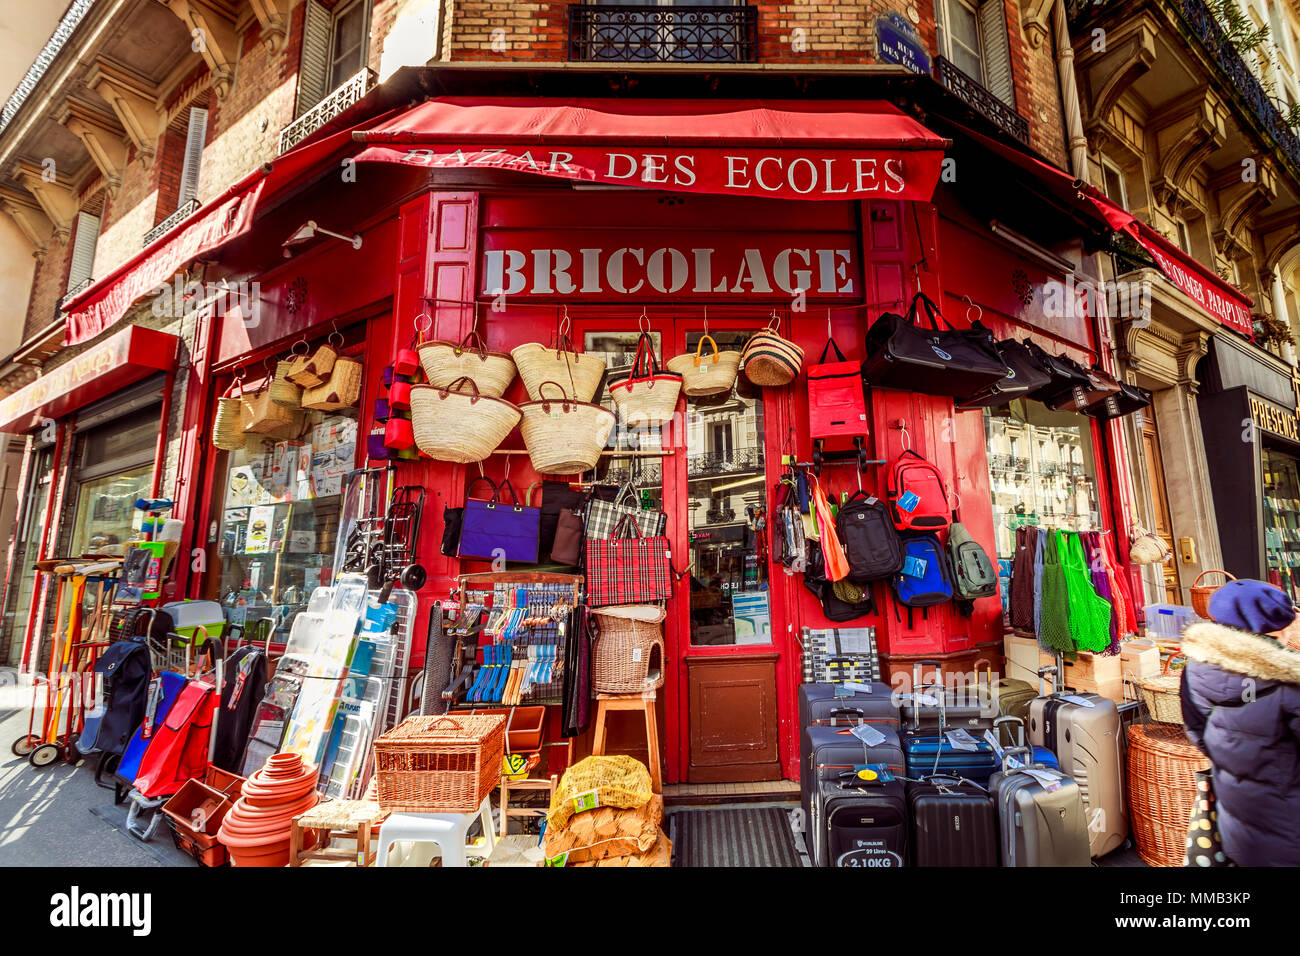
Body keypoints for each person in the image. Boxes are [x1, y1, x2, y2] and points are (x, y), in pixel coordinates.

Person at [1181, 579, 1300, 866]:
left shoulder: (1195, 670)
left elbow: (1198, 733)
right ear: (1277, 627)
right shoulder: (1289, 682)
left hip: (1237, 820)